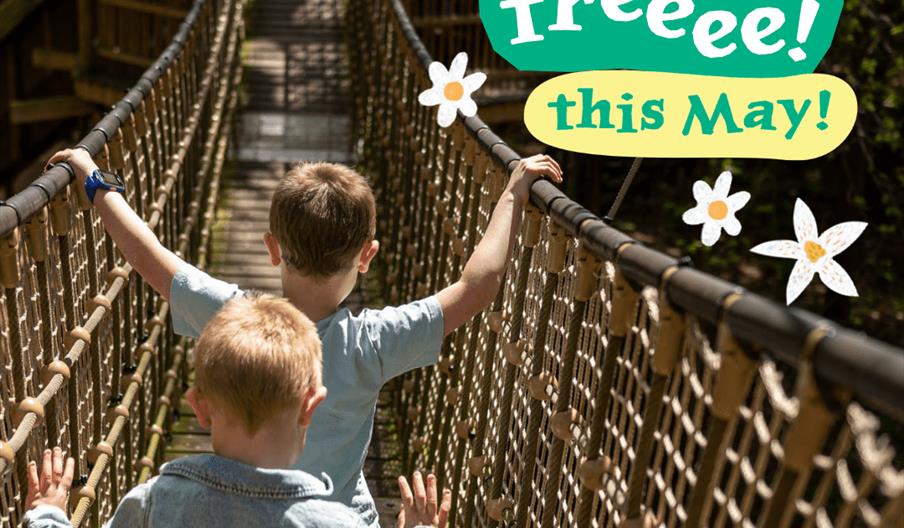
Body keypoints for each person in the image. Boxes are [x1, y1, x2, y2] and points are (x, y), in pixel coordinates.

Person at [46, 148, 562, 525]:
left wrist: (95, 180)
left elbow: (148, 255)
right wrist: (512, 192)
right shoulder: (373, 342)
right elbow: (478, 286)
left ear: (272, 248)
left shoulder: (235, 320)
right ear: (367, 256)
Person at [22, 295, 452, 527]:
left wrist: (47, 513)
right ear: (311, 407)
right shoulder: (336, 522)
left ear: (198, 407)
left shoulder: (154, 502)